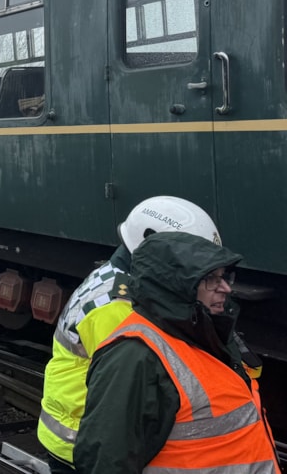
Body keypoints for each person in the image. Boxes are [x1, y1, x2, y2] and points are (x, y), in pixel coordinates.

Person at [38, 196, 224, 472]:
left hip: (95, 433)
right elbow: (125, 397)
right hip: (82, 441)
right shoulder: (117, 309)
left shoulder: (119, 278)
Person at [74, 231, 279, 473]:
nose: (225, 288)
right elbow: (106, 461)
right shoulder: (134, 356)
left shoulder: (205, 335)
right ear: (174, 286)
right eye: (210, 279)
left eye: (224, 277)